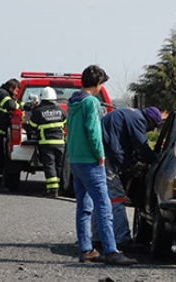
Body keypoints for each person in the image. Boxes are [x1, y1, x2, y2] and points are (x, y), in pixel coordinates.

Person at [66, 64, 137, 265]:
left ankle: (86, 249)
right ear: (98, 83)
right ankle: (111, 250)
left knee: (83, 206)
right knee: (104, 205)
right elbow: (93, 131)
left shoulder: (73, 101)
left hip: (76, 159)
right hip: (90, 160)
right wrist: (100, 155)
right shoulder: (92, 102)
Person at [89, 106, 162, 250]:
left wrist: (133, 162)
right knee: (117, 197)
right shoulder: (138, 120)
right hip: (106, 157)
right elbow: (141, 146)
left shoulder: (130, 114)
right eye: (152, 127)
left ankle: (97, 238)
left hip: (99, 154)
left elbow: (125, 144)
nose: (149, 130)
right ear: (150, 121)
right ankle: (122, 239)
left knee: (102, 197)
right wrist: (156, 160)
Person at [0, 78, 36, 192]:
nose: (16, 93)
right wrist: (22, 108)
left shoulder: (6, 94)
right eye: (16, 90)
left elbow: (17, 103)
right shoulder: (1, 93)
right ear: (11, 88)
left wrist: (29, 106)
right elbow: (11, 105)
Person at [28, 87, 67, 198]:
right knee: (59, 165)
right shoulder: (60, 110)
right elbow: (65, 122)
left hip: (46, 143)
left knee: (49, 165)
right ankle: (58, 189)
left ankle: (52, 190)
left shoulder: (38, 111)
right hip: (60, 142)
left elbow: (32, 126)